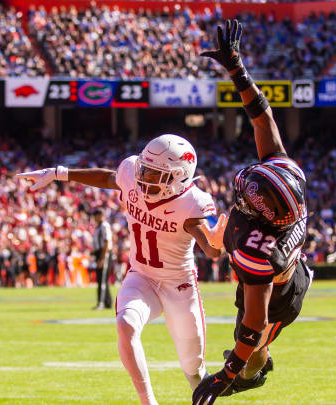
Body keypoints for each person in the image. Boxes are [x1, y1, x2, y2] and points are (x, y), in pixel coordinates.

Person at [17, 134, 227, 405]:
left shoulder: (193, 203)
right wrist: (60, 173)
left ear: (179, 176)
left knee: (194, 370)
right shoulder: (131, 173)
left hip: (179, 284)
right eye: (145, 169)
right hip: (141, 276)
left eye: (156, 175)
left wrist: (219, 245)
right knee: (125, 324)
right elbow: (108, 178)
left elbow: (211, 251)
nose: (145, 178)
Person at [192, 19, 312, 405]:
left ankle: (257, 371)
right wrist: (237, 71)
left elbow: (255, 319)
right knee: (246, 336)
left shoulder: (257, 249)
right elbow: (263, 117)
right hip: (276, 274)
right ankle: (253, 360)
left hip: (277, 297)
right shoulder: (286, 180)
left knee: (249, 348)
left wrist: (224, 377)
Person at [92, 208, 113, 310]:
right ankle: (108, 302)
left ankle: (101, 303)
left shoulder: (104, 226)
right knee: (101, 279)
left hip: (104, 253)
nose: (95, 218)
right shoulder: (99, 227)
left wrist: (102, 257)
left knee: (102, 280)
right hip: (99, 253)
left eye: (96, 215)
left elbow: (106, 241)